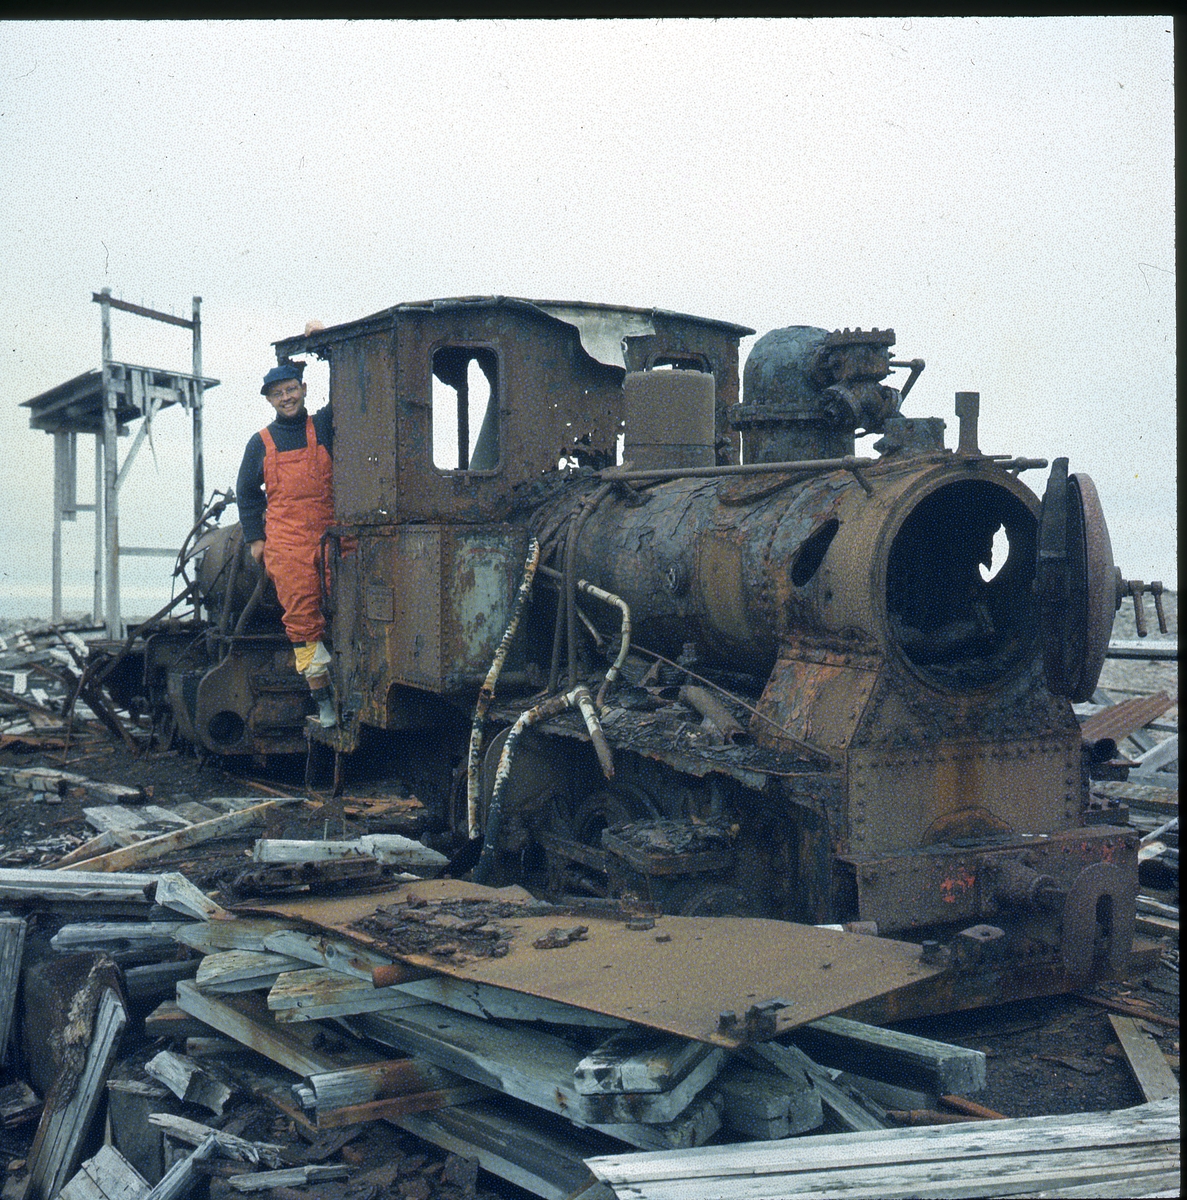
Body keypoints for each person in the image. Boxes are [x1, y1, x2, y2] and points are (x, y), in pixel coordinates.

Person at [236, 358, 337, 727]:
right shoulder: (260, 442)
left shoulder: (323, 425)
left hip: (329, 533)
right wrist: (256, 539)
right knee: (303, 623)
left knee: (347, 610)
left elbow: (346, 387)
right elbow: (246, 493)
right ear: (269, 400)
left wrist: (322, 343)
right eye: (278, 394)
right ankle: (324, 702)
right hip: (287, 542)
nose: (286, 397)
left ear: (304, 389)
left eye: (291, 389)